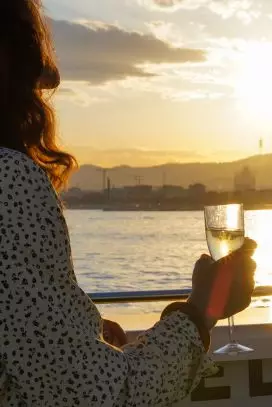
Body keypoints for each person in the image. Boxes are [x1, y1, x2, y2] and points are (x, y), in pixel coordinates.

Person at [0, 1, 257, 406]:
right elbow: (113, 397)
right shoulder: (9, 181)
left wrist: (80, 331)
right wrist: (202, 309)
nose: (50, 78)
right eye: (32, 44)